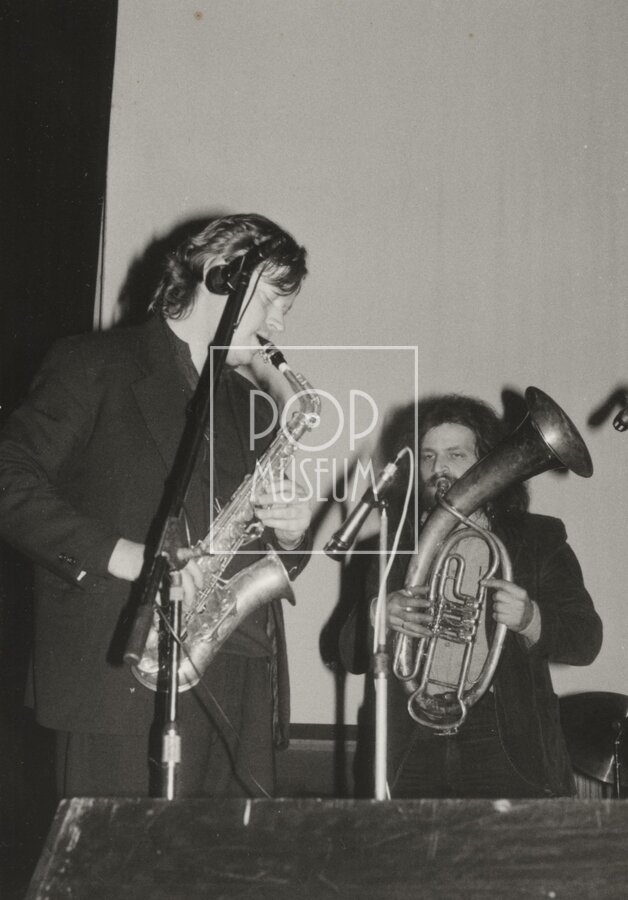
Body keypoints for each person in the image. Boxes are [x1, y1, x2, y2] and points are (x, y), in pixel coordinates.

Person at [0, 213, 313, 799]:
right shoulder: (94, 363)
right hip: (123, 678)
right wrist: (125, 556)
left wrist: (292, 534)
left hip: (238, 683)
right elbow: (9, 478)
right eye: (273, 301)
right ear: (220, 276)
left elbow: (263, 549)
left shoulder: (252, 406)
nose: (278, 325)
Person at [342, 393, 602, 798]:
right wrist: (378, 614)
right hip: (410, 745)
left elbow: (586, 640)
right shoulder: (390, 547)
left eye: (455, 454)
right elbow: (345, 654)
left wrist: (530, 618)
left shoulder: (539, 538)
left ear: (487, 461)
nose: (438, 468)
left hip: (504, 741)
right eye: (428, 456)